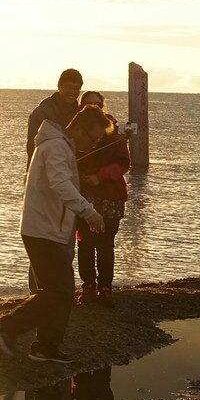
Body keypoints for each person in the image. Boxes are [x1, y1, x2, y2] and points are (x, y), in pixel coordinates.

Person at [0, 104, 106, 365]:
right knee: (57, 291)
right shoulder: (55, 147)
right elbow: (59, 184)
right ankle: (8, 327)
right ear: (77, 127)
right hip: (42, 230)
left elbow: (61, 186)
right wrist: (89, 213)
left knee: (60, 291)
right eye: (92, 136)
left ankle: (45, 346)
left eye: (99, 139)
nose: (95, 143)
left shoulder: (61, 146)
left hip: (50, 229)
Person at [73, 93, 131, 305]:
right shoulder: (76, 133)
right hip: (85, 195)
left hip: (110, 197)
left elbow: (123, 163)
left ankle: (105, 288)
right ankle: (88, 285)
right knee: (85, 243)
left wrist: (99, 177)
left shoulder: (114, 133)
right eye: (88, 104)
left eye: (97, 105)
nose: (93, 108)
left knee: (106, 245)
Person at [26, 68, 83, 160]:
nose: (72, 92)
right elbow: (32, 147)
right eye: (69, 87)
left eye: (76, 88)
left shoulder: (79, 113)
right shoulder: (42, 112)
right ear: (59, 86)